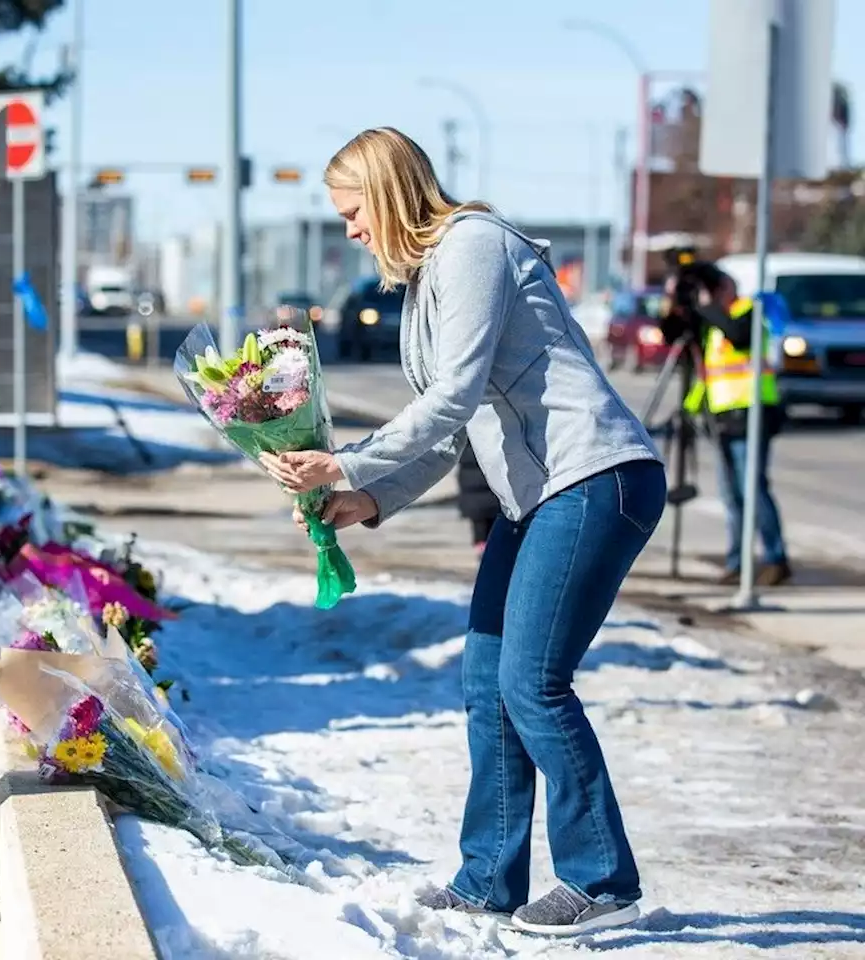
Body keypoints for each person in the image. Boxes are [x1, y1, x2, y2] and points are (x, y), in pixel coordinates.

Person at [258, 127, 667, 937]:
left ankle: (601, 879)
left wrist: (343, 464)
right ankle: (488, 878)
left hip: (593, 478)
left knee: (533, 683)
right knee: (487, 682)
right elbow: (454, 435)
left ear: (389, 192)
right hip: (536, 499)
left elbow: (449, 399)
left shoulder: (473, 245)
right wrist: (368, 500)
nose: (350, 230)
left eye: (352, 211)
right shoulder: (423, 286)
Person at [678, 266, 792, 586]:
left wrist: (706, 307)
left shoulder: (749, 313)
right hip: (723, 417)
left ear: (727, 287)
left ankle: (775, 557)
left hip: (753, 412)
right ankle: (737, 562)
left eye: (711, 289)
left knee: (752, 489)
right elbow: (677, 338)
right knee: (731, 496)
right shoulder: (711, 323)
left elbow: (739, 336)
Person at [456, 444, 499, 550]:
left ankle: (481, 547)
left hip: (472, 489)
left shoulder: (464, 441)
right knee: (494, 524)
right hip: (491, 487)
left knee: (479, 525)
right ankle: (489, 548)